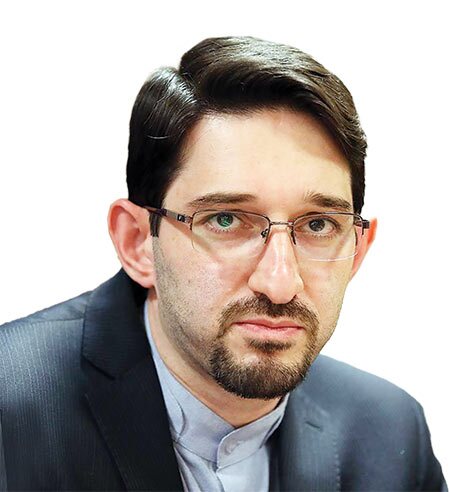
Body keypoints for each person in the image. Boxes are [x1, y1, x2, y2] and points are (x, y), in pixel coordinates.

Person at [0, 36, 446, 492]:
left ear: (357, 250)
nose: (280, 282)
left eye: (318, 225)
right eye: (226, 220)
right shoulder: (9, 407)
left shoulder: (391, 435)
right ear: (138, 242)